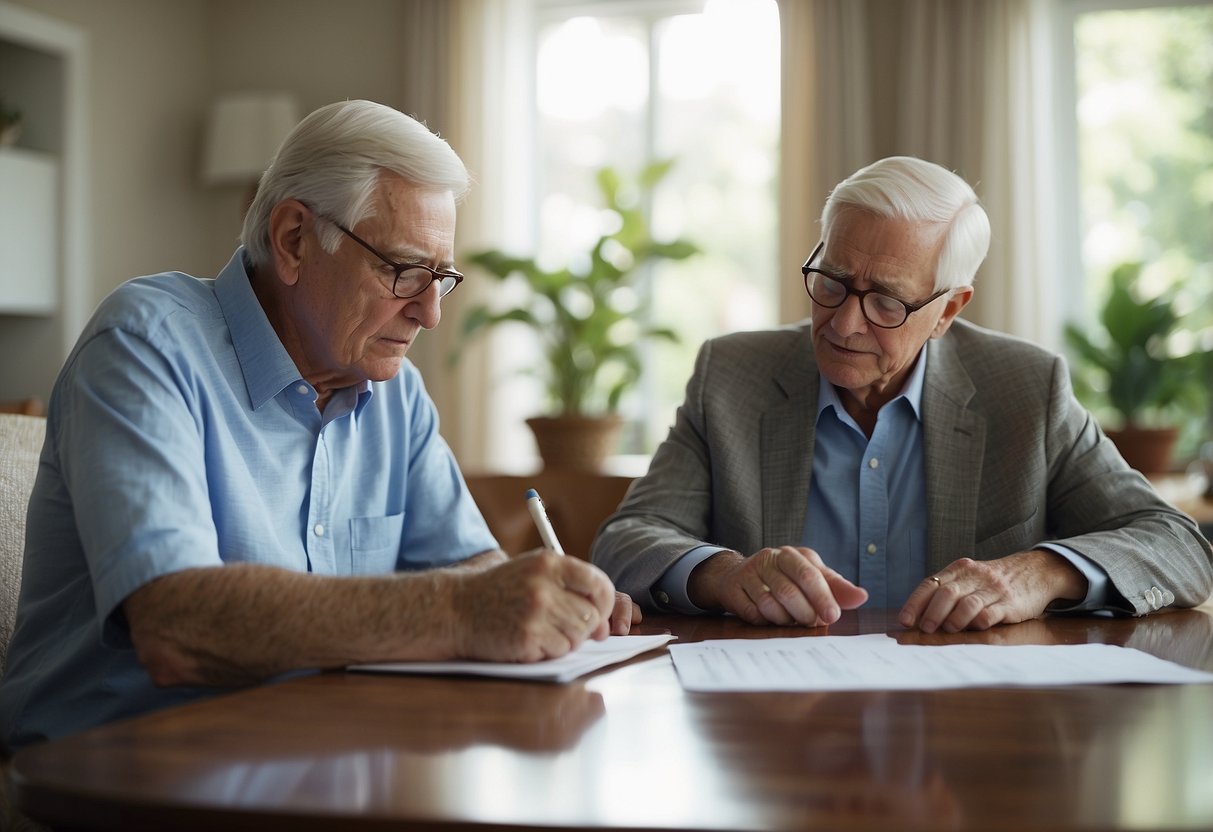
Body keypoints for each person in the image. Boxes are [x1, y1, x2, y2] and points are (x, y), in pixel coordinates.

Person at [0, 100, 637, 752]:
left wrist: (550, 601)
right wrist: (464, 609)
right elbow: (176, 623)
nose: (428, 313)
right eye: (403, 270)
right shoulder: (145, 344)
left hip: (324, 757)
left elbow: (468, 569)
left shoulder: (397, 395)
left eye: (439, 278)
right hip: (124, 774)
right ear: (294, 240)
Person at [591, 155, 1212, 634]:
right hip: (778, 723)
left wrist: (1042, 573)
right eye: (831, 282)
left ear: (948, 310)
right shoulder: (732, 375)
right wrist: (725, 575)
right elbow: (627, 539)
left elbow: (1179, 545)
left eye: (887, 300)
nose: (843, 323)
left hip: (967, 732)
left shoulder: (1026, 388)